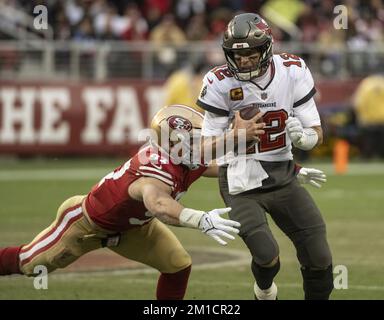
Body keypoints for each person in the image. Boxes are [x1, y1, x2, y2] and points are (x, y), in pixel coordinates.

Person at [0, 104, 241, 300]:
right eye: (196, 140)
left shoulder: (184, 156)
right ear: (175, 144)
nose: (203, 144)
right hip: (85, 225)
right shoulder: (155, 168)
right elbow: (158, 204)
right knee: (30, 264)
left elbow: (217, 165)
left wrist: (256, 164)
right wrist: (200, 219)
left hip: (135, 228)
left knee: (177, 265)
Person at [196, 13, 333, 300]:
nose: (243, 61)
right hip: (240, 180)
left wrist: (306, 139)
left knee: (319, 255)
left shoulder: (292, 70)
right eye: (237, 55)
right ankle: (265, 290)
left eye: (250, 53)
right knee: (266, 254)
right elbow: (205, 148)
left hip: (283, 175)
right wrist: (235, 137)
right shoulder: (219, 81)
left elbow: (316, 130)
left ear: (267, 48)